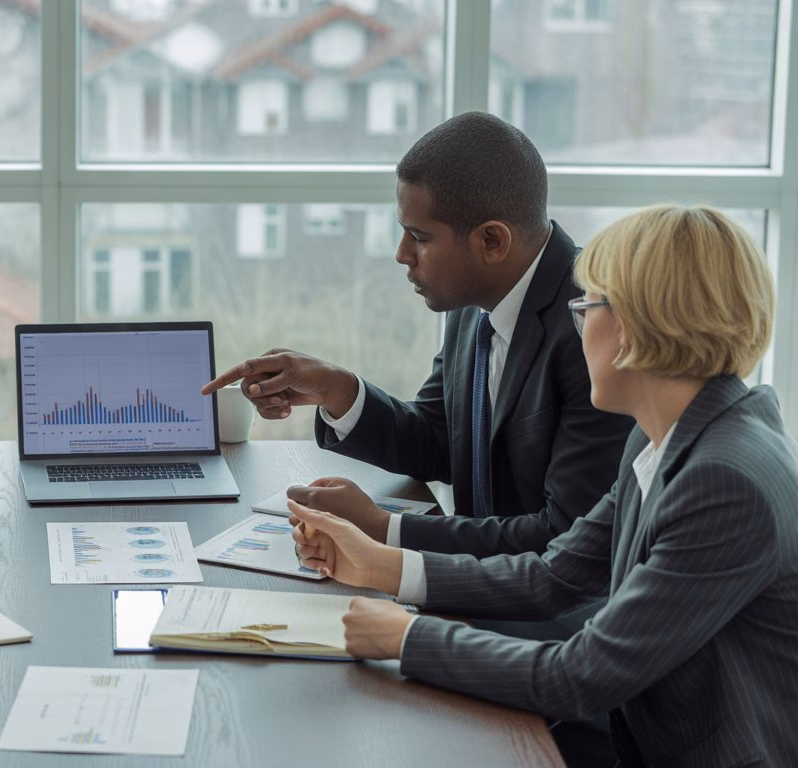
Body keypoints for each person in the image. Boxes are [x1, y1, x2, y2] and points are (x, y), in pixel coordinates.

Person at [290, 205, 798, 767]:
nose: (578, 325)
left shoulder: (726, 483)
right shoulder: (666, 437)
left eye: (587, 308)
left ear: (635, 327)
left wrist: (403, 639)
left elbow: (579, 676)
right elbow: (555, 574)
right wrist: (378, 566)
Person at [204, 112, 633, 559]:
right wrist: (337, 388)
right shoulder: (476, 307)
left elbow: (566, 540)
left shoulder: (594, 327)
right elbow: (436, 441)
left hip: (547, 613)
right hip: (476, 585)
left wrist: (381, 528)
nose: (401, 254)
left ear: (492, 241)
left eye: (419, 237)